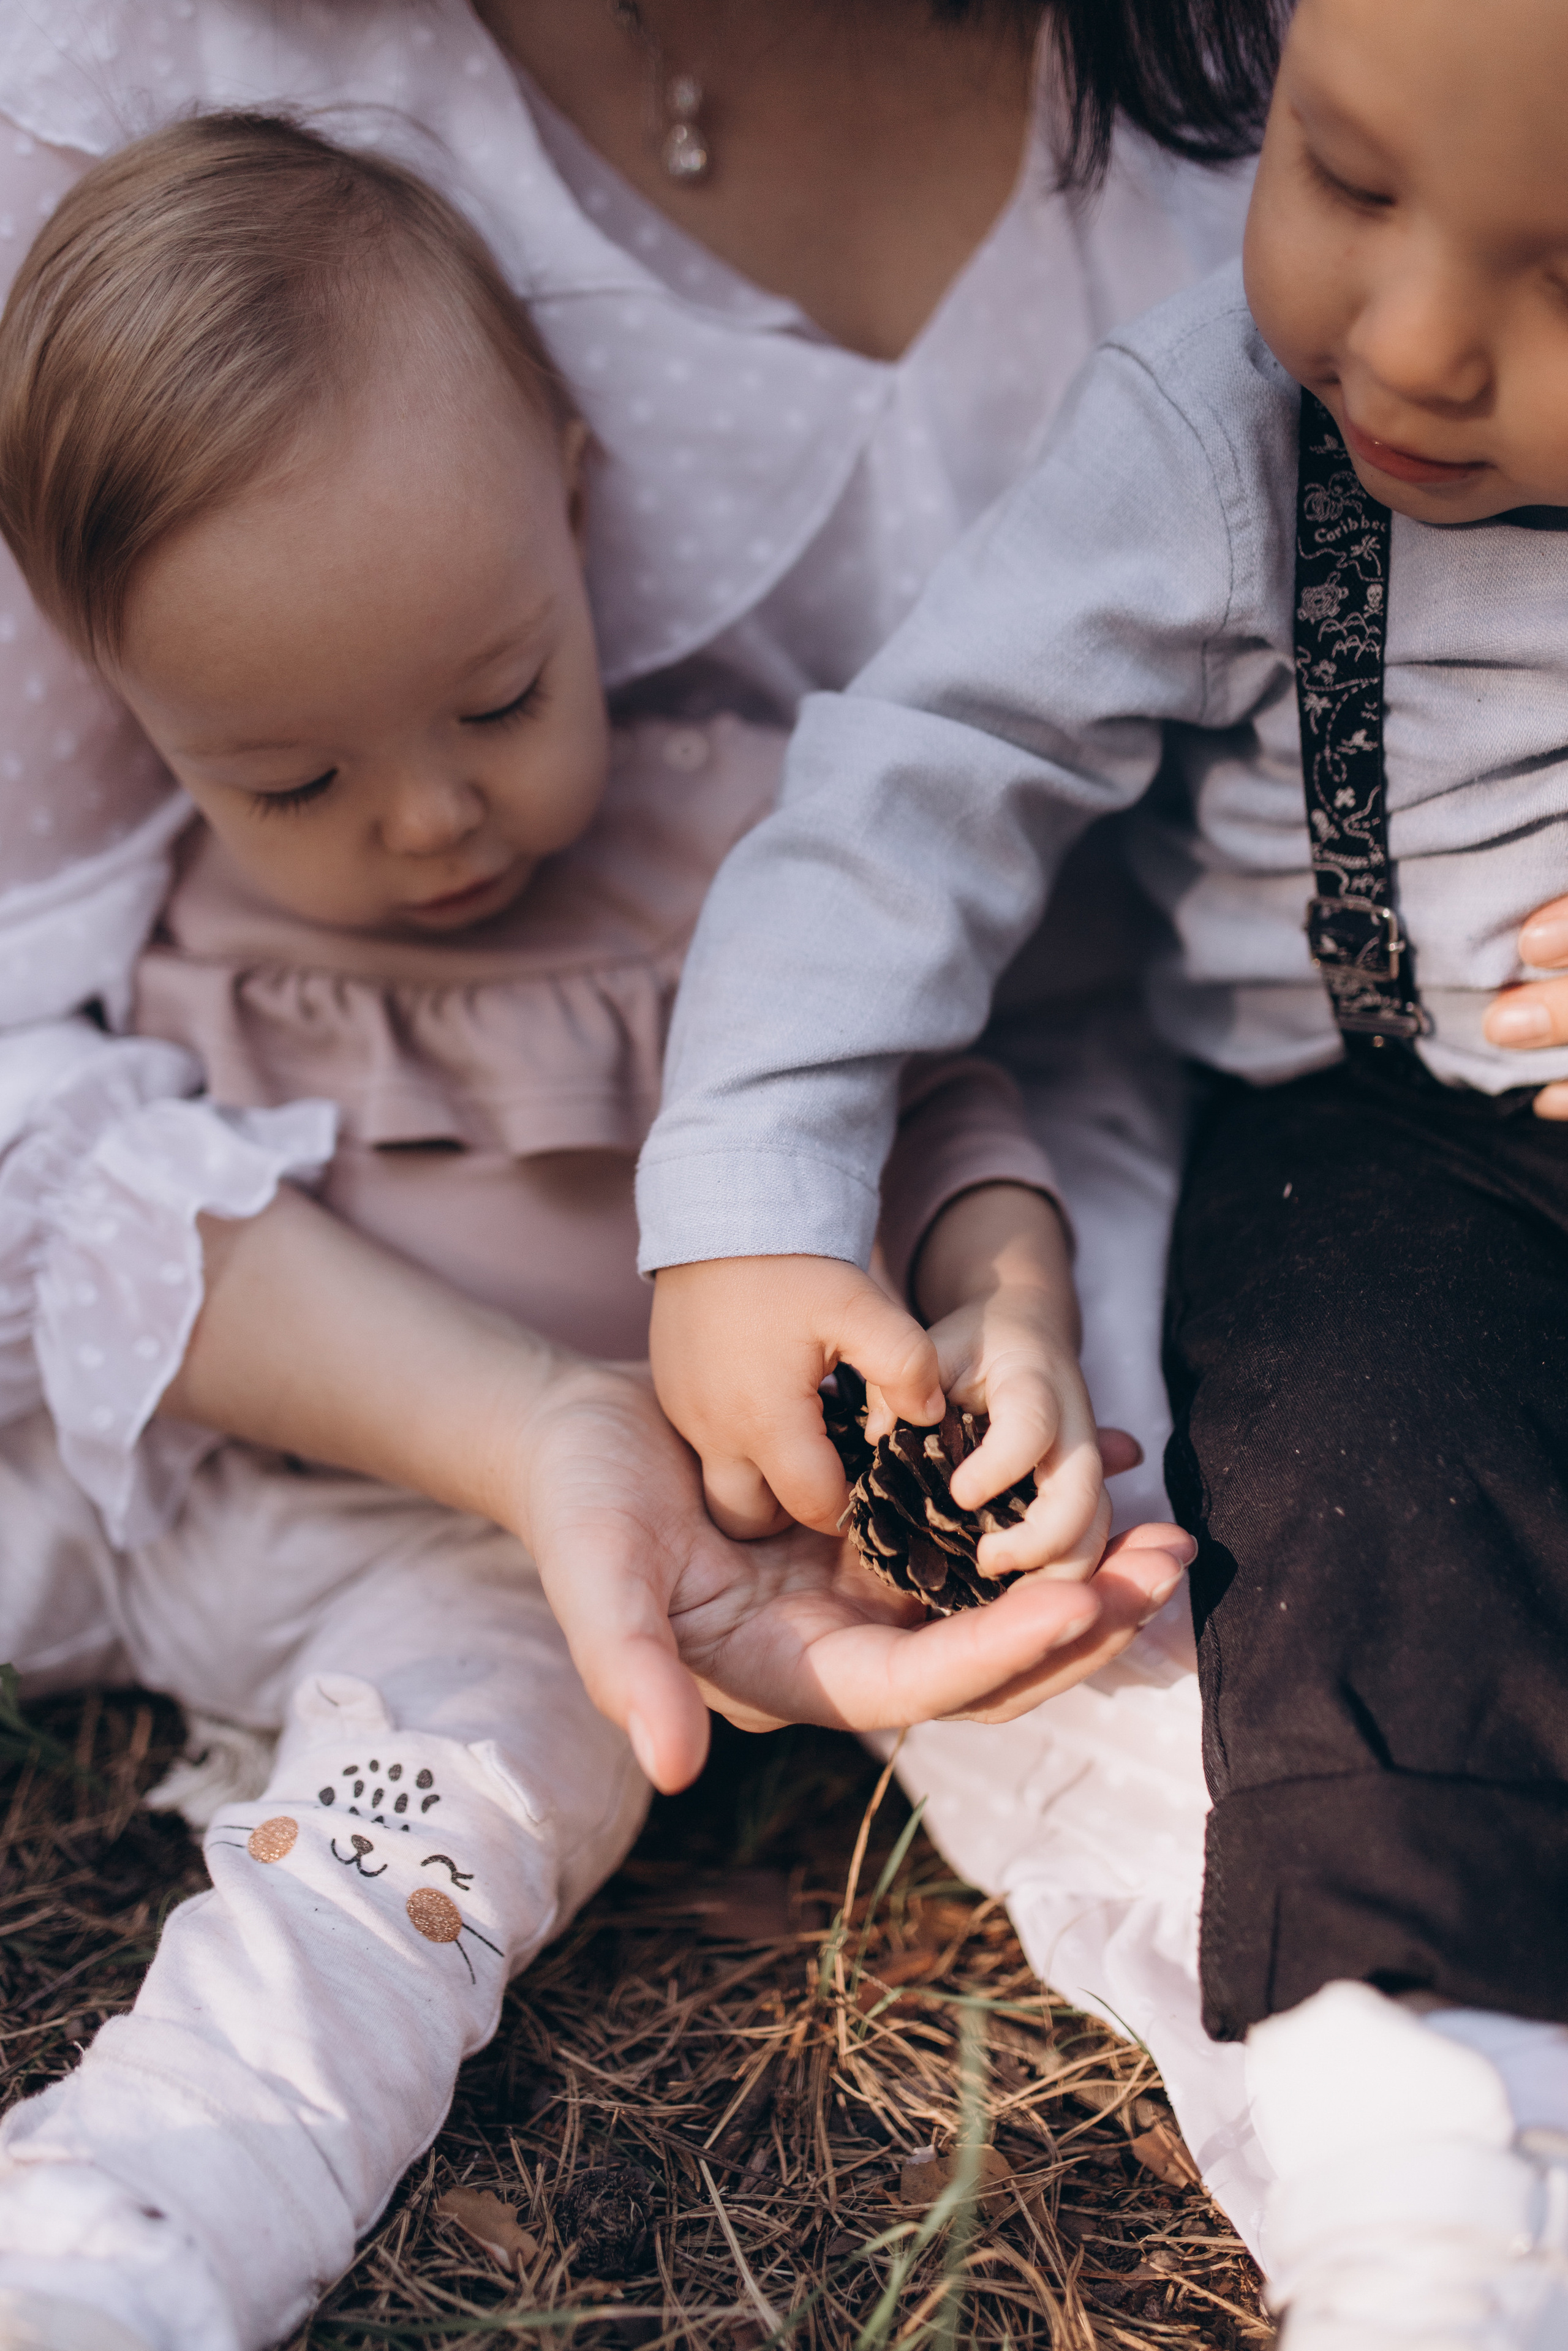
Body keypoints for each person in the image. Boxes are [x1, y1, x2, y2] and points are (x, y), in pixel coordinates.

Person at [0, 110, 1206, 2351]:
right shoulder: (149, 937)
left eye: (497, 695)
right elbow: (94, 1249)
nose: (431, 813)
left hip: (615, 1566)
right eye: (289, 777)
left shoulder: (734, 837)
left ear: (574, 494)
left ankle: (137, 2218)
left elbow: (937, 1098)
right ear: (115, 693)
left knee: (433, 1817)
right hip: (264, 1492)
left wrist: (1005, 1297)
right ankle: (127, 2220)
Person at [639, 0, 1568, 2336]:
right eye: (1344, 183)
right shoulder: (1234, 442)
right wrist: (759, 1178)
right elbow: (917, 776)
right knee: (1354, 1477)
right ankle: (1420, 2112)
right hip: (1382, 1144)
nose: (1424, 339)